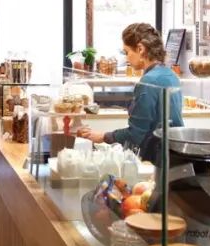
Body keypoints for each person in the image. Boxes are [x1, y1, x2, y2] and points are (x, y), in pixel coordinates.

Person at [77, 23, 183, 158]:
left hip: (158, 157)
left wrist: (103, 136)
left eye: (127, 52)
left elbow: (135, 135)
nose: (127, 58)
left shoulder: (148, 81)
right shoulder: (171, 75)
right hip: (175, 154)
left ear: (140, 49)